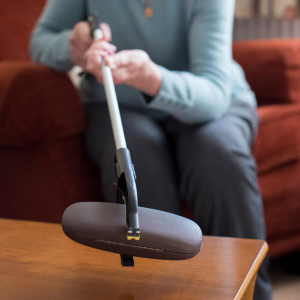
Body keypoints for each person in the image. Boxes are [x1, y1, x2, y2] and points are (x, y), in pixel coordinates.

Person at [30, 0, 272, 299]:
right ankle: (155, 291)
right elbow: (40, 41)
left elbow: (213, 95)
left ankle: (254, 292)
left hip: (210, 102)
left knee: (218, 156)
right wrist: (72, 47)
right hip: (120, 104)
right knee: (140, 161)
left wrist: (150, 78)